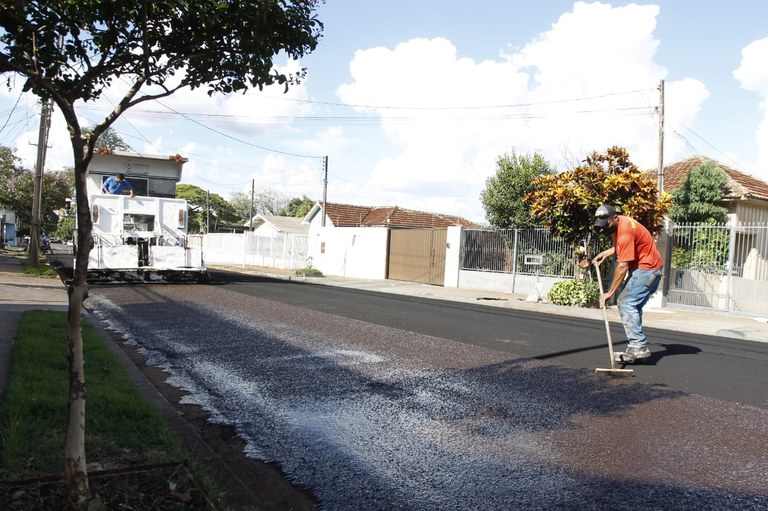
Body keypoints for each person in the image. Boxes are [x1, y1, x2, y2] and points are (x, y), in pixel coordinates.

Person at [592, 204, 664, 363]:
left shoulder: (625, 231)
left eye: (607, 224)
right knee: (634, 306)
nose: (605, 228)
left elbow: (623, 266)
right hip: (651, 269)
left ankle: (639, 345)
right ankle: (637, 347)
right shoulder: (617, 226)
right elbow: (621, 247)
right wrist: (606, 253)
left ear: (615, 218)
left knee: (625, 302)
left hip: (646, 270)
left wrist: (609, 293)